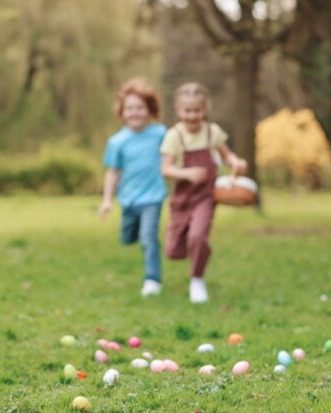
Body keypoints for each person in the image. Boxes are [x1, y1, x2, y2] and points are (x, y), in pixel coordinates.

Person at [160, 82, 247, 304]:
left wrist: (236, 162)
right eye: (187, 111)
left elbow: (227, 156)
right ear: (179, 111)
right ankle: (198, 250)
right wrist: (187, 173)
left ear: (204, 110)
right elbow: (165, 168)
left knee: (198, 236)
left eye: (197, 110)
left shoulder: (212, 132)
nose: (192, 116)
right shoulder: (174, 136)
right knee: (173, 251)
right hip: (181, 199)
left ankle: (196, 279)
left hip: (205, 197)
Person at [101, 78, 167, 297]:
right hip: (128, 199)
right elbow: (113, 172)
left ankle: (152, 280)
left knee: (148, 236)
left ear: (150, 110)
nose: (134, 112)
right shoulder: (117, 142)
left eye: (140, 107)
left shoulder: (160, 134)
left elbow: (174, 157)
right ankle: (133, 234)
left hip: (153, 197)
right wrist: (107, 199)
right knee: (128, 237)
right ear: (122, 112)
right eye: (129, 108)